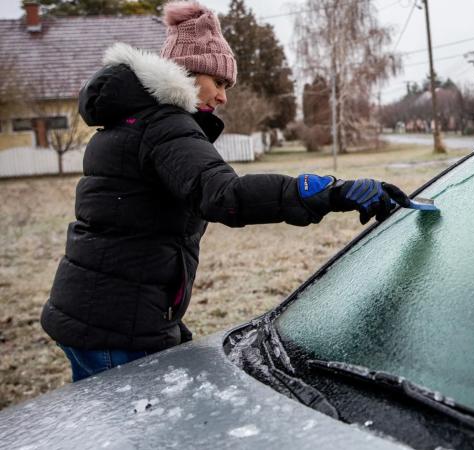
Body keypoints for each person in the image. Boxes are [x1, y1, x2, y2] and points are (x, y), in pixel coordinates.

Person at [40, 0, 411, 382]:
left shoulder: (131, 120)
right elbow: (224, 195)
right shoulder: (163, 125)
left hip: (93, 310)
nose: (223, 97)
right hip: (117, 325)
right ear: (186, 72)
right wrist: (329, 192)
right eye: (218, 82)